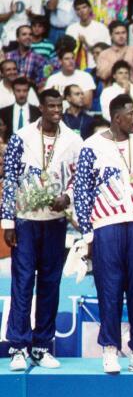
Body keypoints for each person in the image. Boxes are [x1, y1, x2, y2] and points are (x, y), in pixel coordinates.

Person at [73, 94, 133, 374]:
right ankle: (110, 351)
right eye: (131, 114)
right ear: (116, 118)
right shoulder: (92, 147)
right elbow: (81, 193)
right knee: (109, 290)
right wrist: (88, 236)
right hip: (106, 226)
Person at [2, 89, 82, 371]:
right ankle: (17, 346)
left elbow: (80, 178)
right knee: (22, 283)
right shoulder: (21, 137)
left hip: (55, 220)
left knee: (50, 283)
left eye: (60, 106)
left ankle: (41, 345)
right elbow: (10, 179)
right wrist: (8, 222)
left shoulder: (73, 140)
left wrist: (68, 198)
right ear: (41, 108)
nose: (56, 111)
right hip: (25, 219)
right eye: (51, 106)